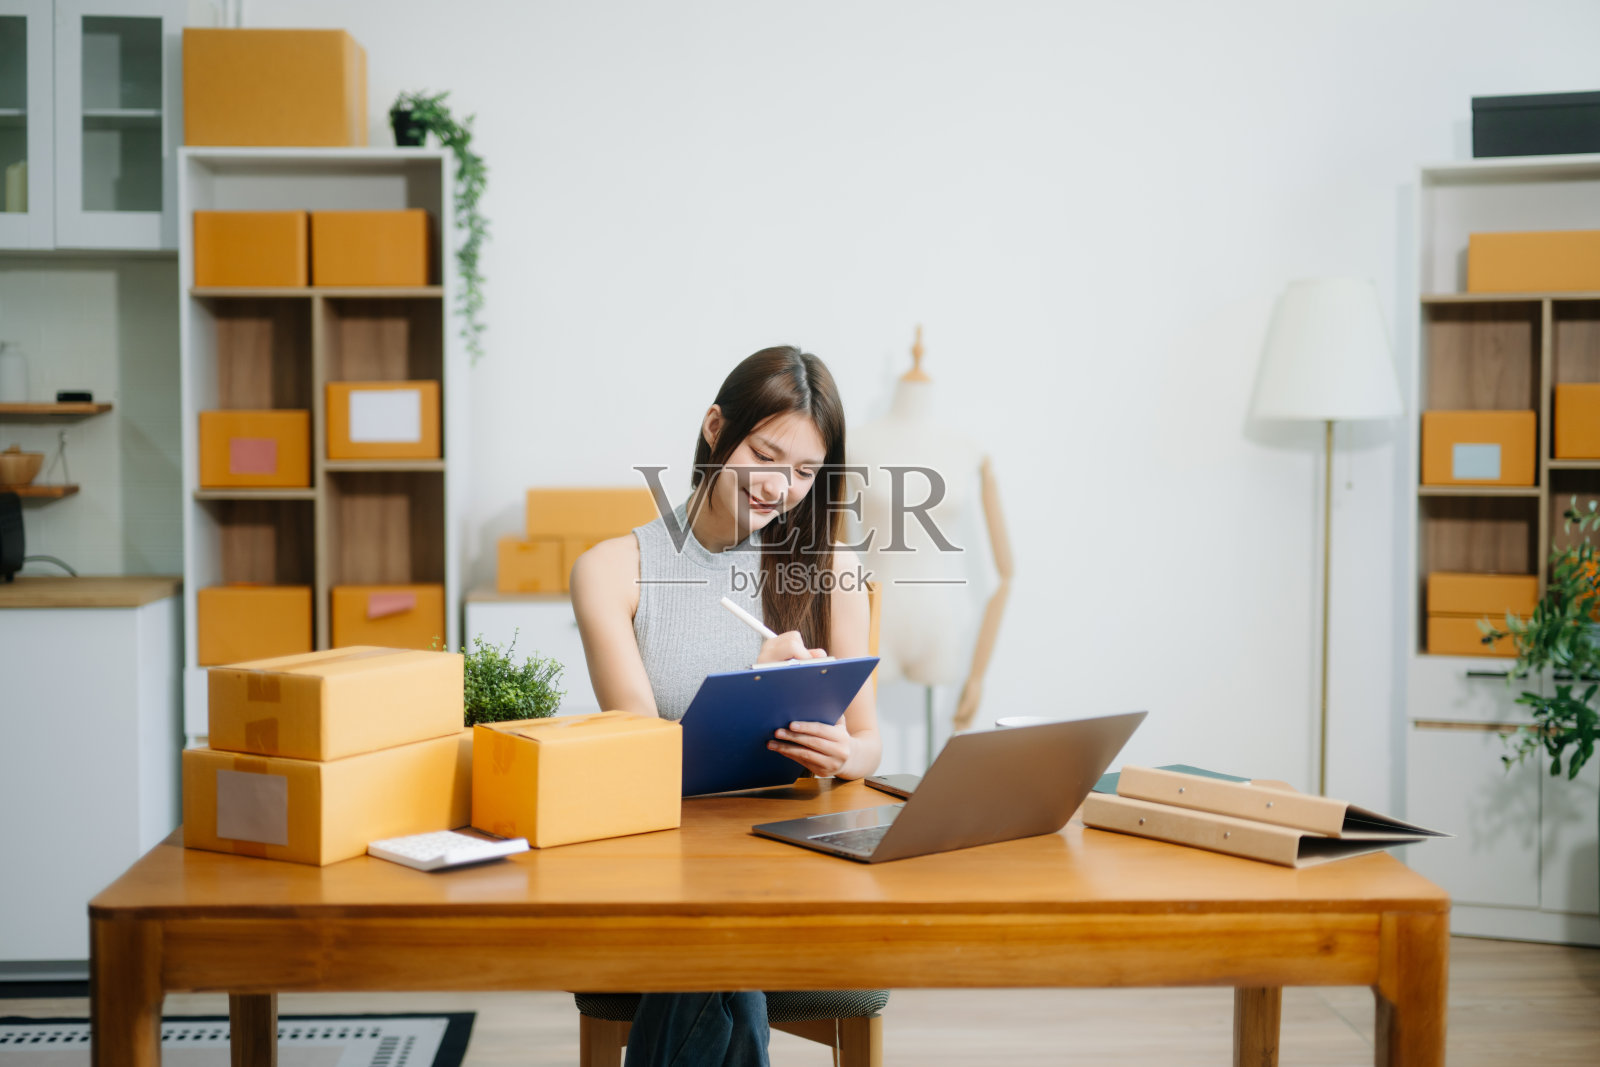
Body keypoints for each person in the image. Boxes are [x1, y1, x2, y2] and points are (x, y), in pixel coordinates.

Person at [571, 345, 882, 1067]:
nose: (782, 487)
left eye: (806, 473)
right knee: (719, 941)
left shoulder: (830, 569)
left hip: (801, 867)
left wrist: (843, 752)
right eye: (767, 456)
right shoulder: (614, 570)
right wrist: (750, 681)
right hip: (668, 869)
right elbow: (640, 764)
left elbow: (871, 742)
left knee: (718, 942)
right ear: (716, 428)